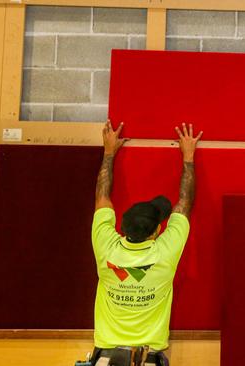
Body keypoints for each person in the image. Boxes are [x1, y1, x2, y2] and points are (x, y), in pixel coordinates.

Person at [89, 120, 202, 366]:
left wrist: (109, 152)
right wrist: (189, 157)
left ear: (122, 227)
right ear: (156, 231)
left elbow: (102, 196)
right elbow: (184, 202)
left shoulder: (105, 245)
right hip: (149, 356)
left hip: (106, 355)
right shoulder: (165, 253)